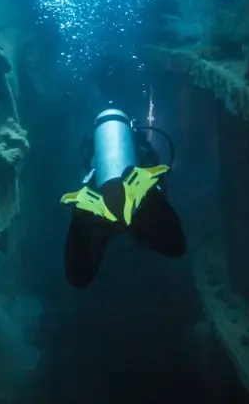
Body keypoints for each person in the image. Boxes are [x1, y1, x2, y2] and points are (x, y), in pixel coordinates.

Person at [60, 108, 186, 288]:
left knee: (80, 275)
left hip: (102, 206)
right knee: (173, 245)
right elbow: (177, 248)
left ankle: (87, 217)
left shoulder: (95, 161)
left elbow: (77, 278)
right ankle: (138, 202)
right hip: (138, 203)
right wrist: (151, 197)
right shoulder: (140, 150)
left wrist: (80, 219)